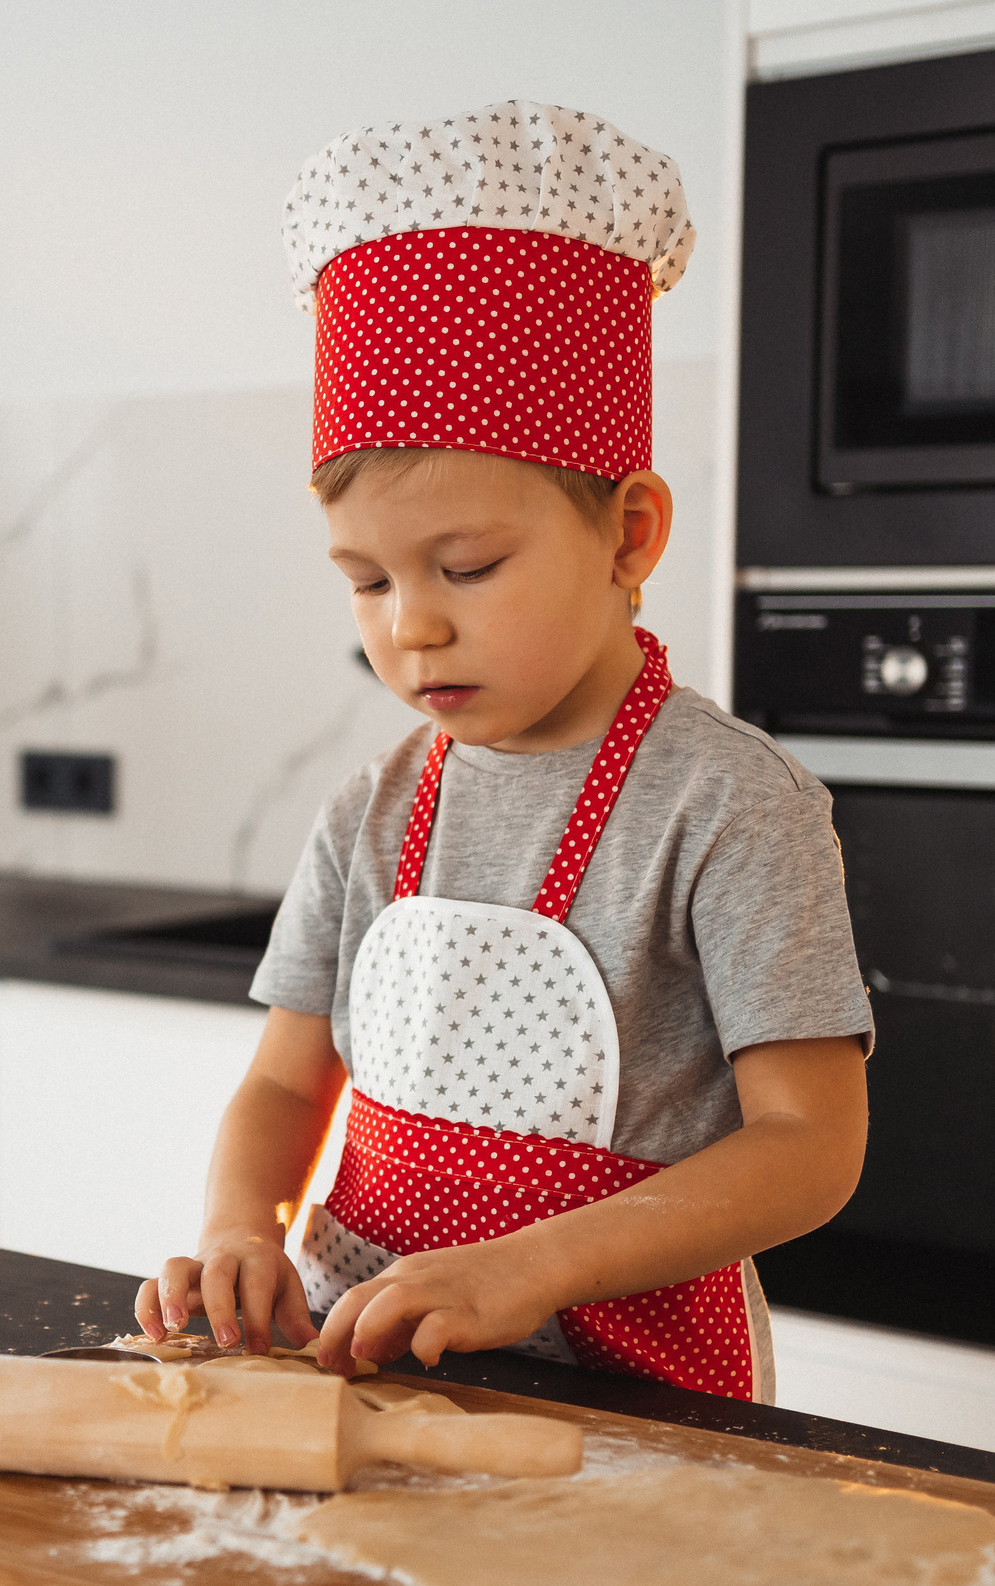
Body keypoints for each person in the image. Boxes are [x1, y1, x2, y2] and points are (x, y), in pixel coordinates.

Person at [135, 102, 873, 1402]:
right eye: (367, 580)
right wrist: (243, 1225)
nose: (410, 627)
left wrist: (529, 1268)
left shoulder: (728, 806)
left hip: (632, 1393)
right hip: (367, 1359)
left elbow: (810, 1145)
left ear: (630, 534)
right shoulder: (368, 810)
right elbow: (285, 1085)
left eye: (468, 566)